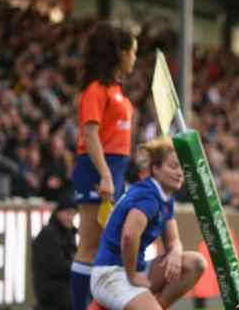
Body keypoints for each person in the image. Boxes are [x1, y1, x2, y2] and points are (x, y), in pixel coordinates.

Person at [90, 138, 207, 310]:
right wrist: (132, 276)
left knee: (195, 264)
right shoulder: (148, 196)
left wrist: (175, 252)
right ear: (156, 169)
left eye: (182, 167)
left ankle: (158, 306)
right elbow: (129, 235)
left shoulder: (164, 196)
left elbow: (173, 240)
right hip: (111, 273)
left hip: (135, 269)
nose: (180, 172)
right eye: (174, 166)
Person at [70, 23, 138, 310]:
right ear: (121, 54)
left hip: (115, 169)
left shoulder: (117, 90)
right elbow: (89, 134)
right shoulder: (96, 90)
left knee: (104, 247)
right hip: (97, 170)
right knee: (89, 245)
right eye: (133, 52)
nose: (135, 58)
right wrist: (106, 175)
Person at [32, 196, 78, 310]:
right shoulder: (49, 234)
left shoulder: (69, 233)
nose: (70, 217)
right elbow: (57, 267)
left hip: (62, 286)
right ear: (58, 213)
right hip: (52, 290)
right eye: (67, 213)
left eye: (73, 214)